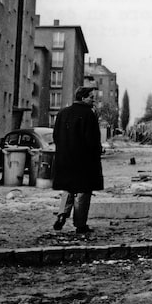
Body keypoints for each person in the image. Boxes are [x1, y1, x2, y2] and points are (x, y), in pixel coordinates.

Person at [52, 86, 104, 234]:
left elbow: (56, 136)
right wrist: (97, 153)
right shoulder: (89, 114)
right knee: (83, 191)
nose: (93, 100)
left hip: (65, 159)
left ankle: (62, 214)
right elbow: (92, 140)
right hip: (84, 161)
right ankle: (80, 224)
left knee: (68, 187)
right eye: (91, 97)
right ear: (83, 98)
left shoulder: (62, 113)